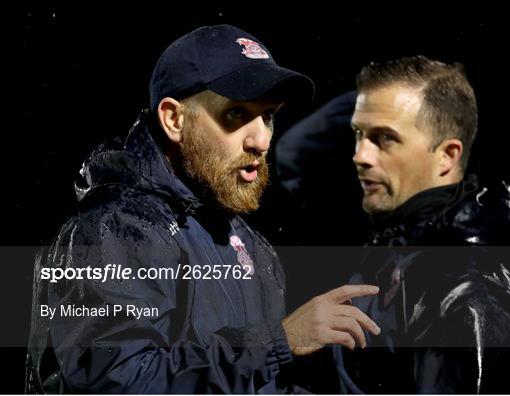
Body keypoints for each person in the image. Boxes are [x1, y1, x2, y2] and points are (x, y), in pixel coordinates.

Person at [26, 25, 381, 393]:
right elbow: (116, 383)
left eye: (268, 116)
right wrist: (275, 342)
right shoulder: (113, 229)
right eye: (236, 114)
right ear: (174, 120)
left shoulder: (251, 246)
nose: (260, 140)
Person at [334, 56, 510, 393]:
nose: (360, 155)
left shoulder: (466, 294)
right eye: (359, 134)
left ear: (447, 155)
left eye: (385, 138)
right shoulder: (399, 248)